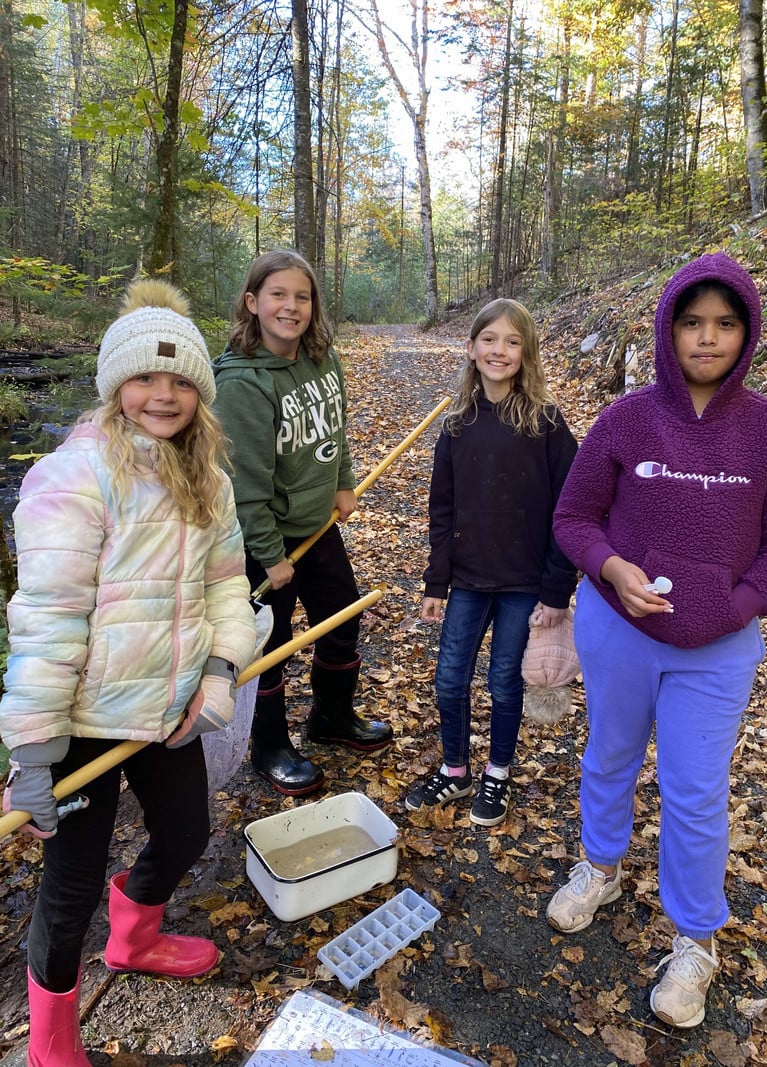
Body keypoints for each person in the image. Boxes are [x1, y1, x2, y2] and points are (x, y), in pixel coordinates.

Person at [0, 279, 257, 1065]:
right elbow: (46, 619)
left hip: (170, 710)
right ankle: (49, 1038)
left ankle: (135, 933)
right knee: (69, 883)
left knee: (184, 831)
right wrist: (34, 749)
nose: (164, 395)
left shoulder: (208, 478)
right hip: (82, 725)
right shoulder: (72, 476)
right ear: (116, 384)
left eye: (182, 381)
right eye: (147, 377)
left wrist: (217, 675)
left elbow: (226, 586)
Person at [546, 252, 767, 1028]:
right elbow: (572, 519)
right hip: (619, 629)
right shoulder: (627, 419)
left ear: (747, 333)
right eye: (692, 322)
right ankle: (600, 866)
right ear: (668, 328)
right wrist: (613, 569)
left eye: (725, 323)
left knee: (695, 791)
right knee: (610, 755)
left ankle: (696, 938)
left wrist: (735, 604)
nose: (708, 337)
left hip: (718, 647)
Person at [212, 249, 392, 798]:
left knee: (341, 619)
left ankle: (331, 718)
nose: (291, 307)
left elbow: (333, 430)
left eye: (302, 296)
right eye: (278, 295)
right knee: (268, 646)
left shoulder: (321, 357)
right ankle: (268, 745)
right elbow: (247, 485)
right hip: (266, 543)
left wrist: (343, 481)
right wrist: (269, 555)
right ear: (252, 303)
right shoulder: (242, 384)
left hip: (317, 528)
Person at [404, 298, 578, 827]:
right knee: (449, 679)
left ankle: (497, 774)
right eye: (489, 339)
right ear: (472, 347)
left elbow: (570, 510)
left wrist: (555, 590)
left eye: (511, 341)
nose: (498, 350)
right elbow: (442, 506)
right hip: (468, 581)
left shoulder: (546, 423)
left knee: (504, 681)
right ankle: (456, 770)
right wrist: (437, 581)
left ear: (526, 353)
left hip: (524, 583)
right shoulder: (457, 423)